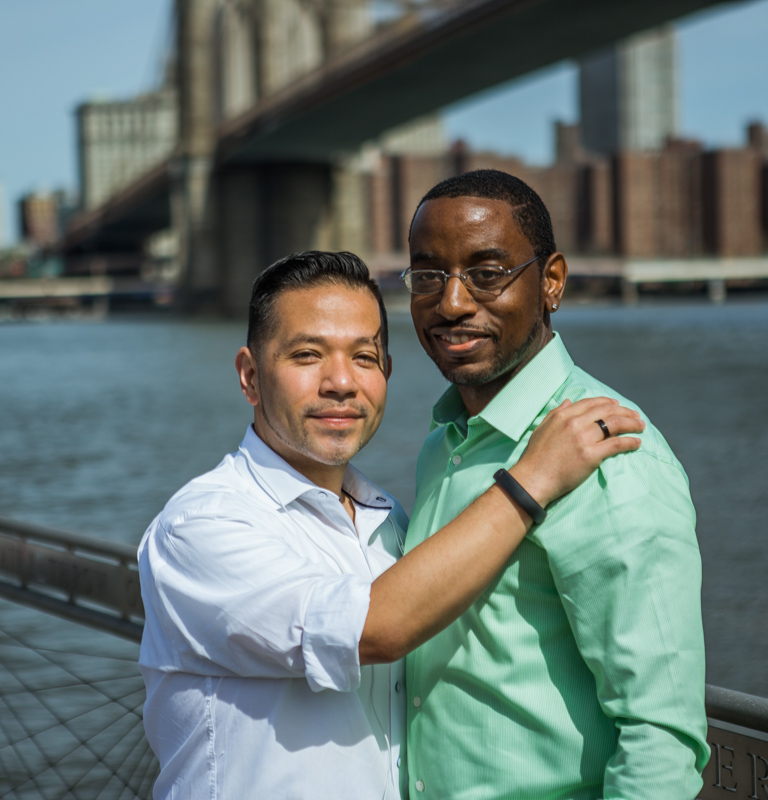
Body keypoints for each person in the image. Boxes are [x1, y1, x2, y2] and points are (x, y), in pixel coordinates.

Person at [137, 250, 644, 799]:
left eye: (364, 357)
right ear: (250, 376)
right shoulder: (201, 525)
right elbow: (374, 629)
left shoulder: (390, 520)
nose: (341, 382)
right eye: (307, 355)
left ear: (387, 373)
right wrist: (532, 480)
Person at [399, 169, 710, 799]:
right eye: (429, 276)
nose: (452, 303)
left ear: (551, 282)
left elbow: (660, 735)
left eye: (487, 274)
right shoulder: (445, 442)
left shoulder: (614, 453)